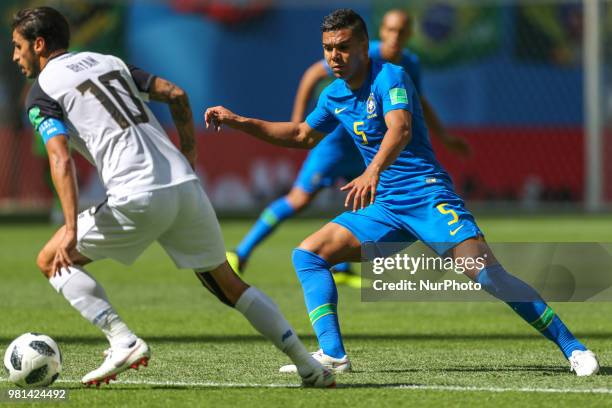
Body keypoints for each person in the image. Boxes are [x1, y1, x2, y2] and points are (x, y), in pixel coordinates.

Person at [205, 8, 599, 377]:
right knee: (309, 254)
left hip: (427, 196)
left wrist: (371, 171)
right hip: (387, 207)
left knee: (489, 276)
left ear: (363, 46)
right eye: (328, 48)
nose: (335, 56)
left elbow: (401, 129)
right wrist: (240, 121)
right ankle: (333, 355)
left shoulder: (390, 76)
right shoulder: (333, 94)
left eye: (343, 47)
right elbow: (301, 134)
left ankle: (574, 348)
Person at [12, 6, 334, 388]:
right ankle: (308, 365)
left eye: (18, 47)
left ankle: (122, 340)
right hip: (184, 185)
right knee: (228, 283)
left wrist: (69, 227)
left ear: (40, 44)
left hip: (136, 192)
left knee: (52, 260)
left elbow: (60, 157)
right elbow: (176, 94)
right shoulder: (108, 61)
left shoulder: (43, 91)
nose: (15, 57)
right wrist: (191, 153)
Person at [227, 9, 469, 289]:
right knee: (299, 200)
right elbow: (311, 76)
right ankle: (241, 253)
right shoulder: (355, 52)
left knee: (363, 199)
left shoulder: (406, 67)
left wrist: (444, 136)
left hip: (368, 148)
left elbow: (417, 102)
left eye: (401, 32)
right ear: (379, 34)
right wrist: (297, 120)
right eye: (389, 31)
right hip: (336, 142)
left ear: (410, 35)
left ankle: (339, 266)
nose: (394, 38)